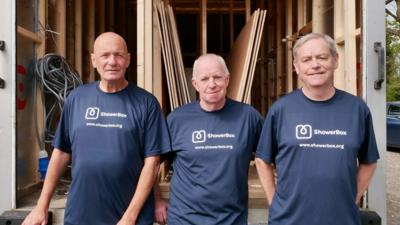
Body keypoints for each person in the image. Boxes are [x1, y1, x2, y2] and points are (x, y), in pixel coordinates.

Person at [22, 32, 171, 225]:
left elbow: (152, 163)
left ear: (128, 60)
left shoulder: (146, 103)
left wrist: (130, 217)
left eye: (118, 55)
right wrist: (42, 205)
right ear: (93, 60)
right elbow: (60, 154)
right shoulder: (76, 99)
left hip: (130, 217)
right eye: (105, 55)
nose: (112, 61)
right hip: (81, 215)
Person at [255, 33, 380, 225]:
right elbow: (262, 160)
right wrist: (275, 202)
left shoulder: (357, 109)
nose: (315, 65)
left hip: (342, 219)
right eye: (306, 59)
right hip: (288, 220)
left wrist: (352, 198)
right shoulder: (281, 110)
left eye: (322, 57)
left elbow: (369, 161)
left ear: (335, 60)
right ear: (296, 67)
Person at [154, 53, 263, 225]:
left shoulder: (248, 117)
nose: (212, 84)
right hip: (184, 219)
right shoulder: (177, 119)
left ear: (227, 79)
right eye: (204, 79)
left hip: (232, 220)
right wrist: (157, 200)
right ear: (195, 84)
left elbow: (272, 157)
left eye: (217, 77)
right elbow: (151, 163)